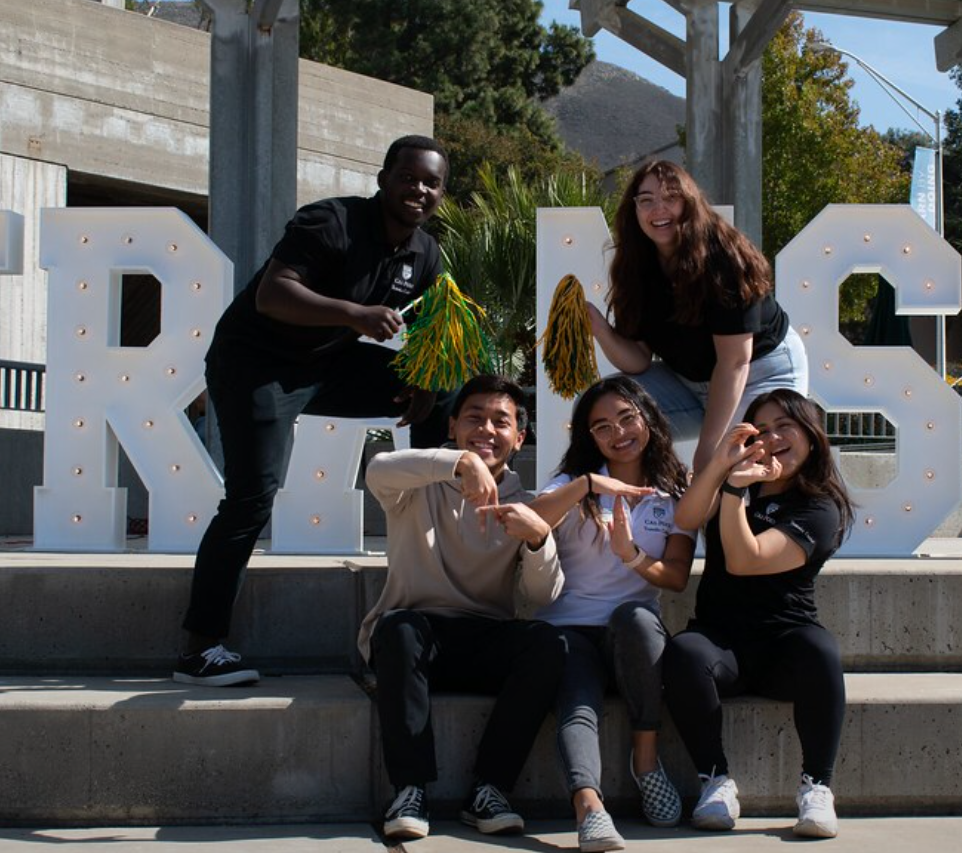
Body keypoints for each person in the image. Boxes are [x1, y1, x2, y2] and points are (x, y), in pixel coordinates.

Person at [174, 135, 452, 687]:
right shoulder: (331, 222)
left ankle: (430, 513)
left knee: (445, 388)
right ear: (383, 179)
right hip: (257, 367)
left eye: (432, 182)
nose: (419, 189)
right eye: (409, 177)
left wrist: (425, 375)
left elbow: (435, 325)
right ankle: (200, 649)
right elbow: (273, 295)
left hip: (328, 367)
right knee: (252, 497)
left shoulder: (425, 253)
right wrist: (354, 314)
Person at [359, 375, 566, 843]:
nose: (487, 429)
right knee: (398, 629)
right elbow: (378, 469)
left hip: (483, 639)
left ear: (520, 437)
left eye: (501, 421)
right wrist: (458, 463)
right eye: (474, 418)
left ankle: (489, 791)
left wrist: (538, 539)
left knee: (549, 642)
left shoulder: (524, 501)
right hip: (413, 640)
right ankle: (410, 790)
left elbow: (544, 595)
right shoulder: (414, 487)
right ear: (452, 426)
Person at [666, 388, 854, 838]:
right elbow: (688, 518)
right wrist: (721, 465)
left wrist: (735, 492)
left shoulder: (818, 507)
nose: (773, 438)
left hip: (783, 644)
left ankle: (817, 788)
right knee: (684, 654)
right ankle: (716, 781)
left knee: (821, 652)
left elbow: (744, 560)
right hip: (721, 641)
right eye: (762, 430)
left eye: (785, 426)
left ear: (811, 437)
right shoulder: (736, 478)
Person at [528, 377, 698, 852]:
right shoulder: (572, 482)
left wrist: (631, 556)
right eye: (602, 426)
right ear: (589, 437)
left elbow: (678, 576)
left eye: (627, 417)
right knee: (576, 698)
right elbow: (531, 519)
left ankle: (645, 762)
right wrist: (587, 483)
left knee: (637, 618)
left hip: (633, 635)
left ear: (648, 417)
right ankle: (590, 809)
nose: (618, 432)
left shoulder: (674, 488)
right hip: (568, 630)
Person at [586, 160, 808, 474]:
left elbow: (734, 362)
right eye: (646, 200)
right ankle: (637, 510)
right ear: (633, 210)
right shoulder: (635, 266)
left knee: (746, 468)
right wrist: (600, 328)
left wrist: (708, 450)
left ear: (690, 203)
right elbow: (638, 361)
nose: (658, 209)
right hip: (690, 383)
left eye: (670, 198)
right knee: (606, 407)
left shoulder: (724, 257)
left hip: (758, 372)